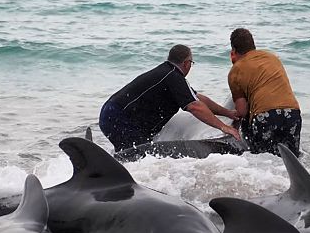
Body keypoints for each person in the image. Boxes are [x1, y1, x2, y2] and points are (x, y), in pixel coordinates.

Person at [99, 44, 240, 152]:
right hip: (118, 117)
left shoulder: (169, 74)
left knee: (135, 154)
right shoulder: (172, 77)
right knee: (140, 156)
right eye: (191, 63)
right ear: (186, 63)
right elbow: (195, 107)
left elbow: (198, 99)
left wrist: (227, 113)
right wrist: (223, 127)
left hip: (113, 114)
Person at [226, 28, 302, 156]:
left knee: (264, 160)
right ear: (253, 45)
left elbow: (242, 111)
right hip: (292, 112)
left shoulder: (235, 71)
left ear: (233, 50)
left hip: (265, 116)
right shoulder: (273, 58)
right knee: (291, 160)